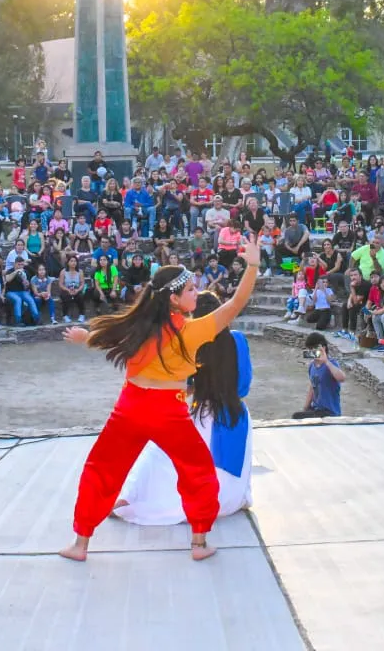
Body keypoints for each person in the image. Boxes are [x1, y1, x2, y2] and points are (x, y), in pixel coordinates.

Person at [57, 234, 261, 562]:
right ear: (174, 300)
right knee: (197, 471)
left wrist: (86, 338)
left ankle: (80, 544)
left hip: (130, 408)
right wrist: (252, 265)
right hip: (168, 411)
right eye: (191, 289)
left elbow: (108, 340)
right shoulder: (195, 330)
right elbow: (236, 303)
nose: (198, 292)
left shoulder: (140, 326)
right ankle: (198, 544)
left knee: (102, 469)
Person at [113, 292, 253, 525]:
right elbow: (244, 385)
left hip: (204, 414)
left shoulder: (191, 343)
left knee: (157, 451)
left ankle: (129, 498)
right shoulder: (238, 340)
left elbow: (183, 385)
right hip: (235, 416)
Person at [292, 332, 345, 419]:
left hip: (329, 412)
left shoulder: (331, 363)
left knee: (296, 417)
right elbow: (312, 387)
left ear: (323, 348)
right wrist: (305, 408)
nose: (310, 352)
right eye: (309, 349)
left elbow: (342, 378)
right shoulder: (312, 366)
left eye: (313, 349)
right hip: (316, 409)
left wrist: (326, 361)